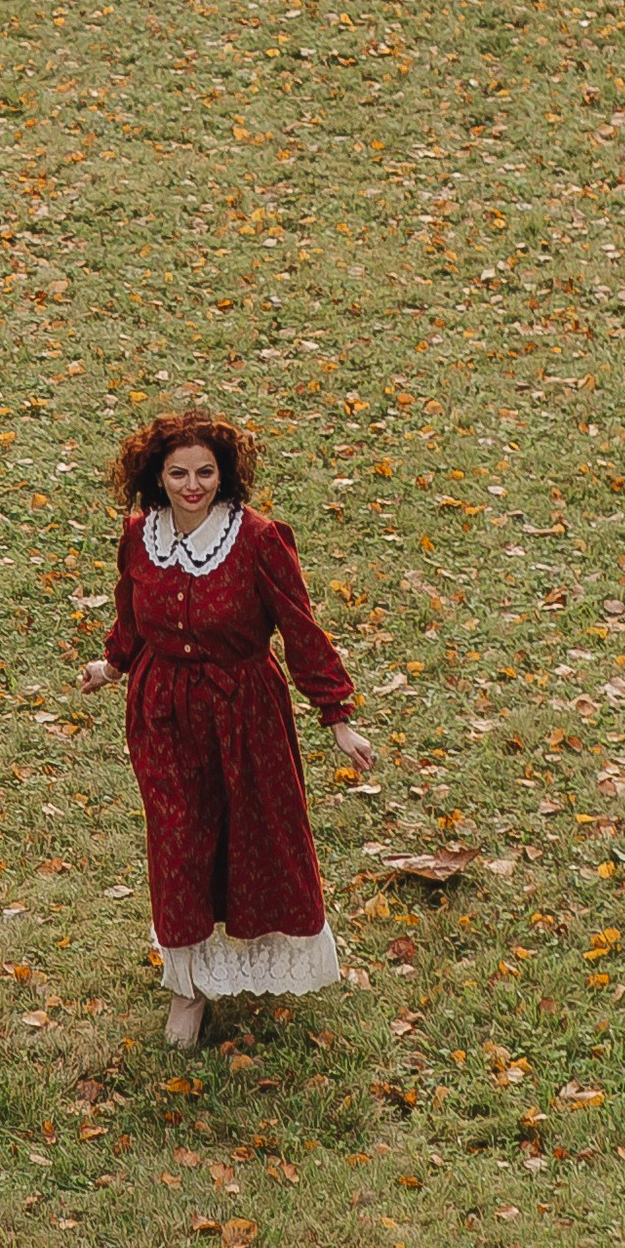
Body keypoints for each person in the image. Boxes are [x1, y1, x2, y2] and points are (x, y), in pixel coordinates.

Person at [79, 408, 373, 1051]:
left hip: (245, 713)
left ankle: (245, 960)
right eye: (178, 472)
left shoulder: (257, 539)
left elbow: (300, 628)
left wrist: (338, 718)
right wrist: (112, 664)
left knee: (251, 841)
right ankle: (188, 988)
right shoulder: (139, 534)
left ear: (224, 473)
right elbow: (131, 614)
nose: (192, 485)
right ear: (156, 475)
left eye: (205, 472)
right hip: (163, 715)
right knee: (178, 844)